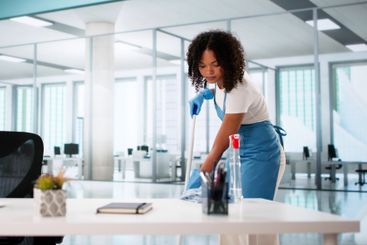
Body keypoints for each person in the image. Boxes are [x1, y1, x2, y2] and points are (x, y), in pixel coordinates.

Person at [187, 30, 284, 200]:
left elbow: (228, 131)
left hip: (261, 153)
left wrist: (207, 166)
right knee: (229, 209)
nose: (209, 71)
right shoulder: (219, 80)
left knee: (252, 212)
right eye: (202, 66)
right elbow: (221, 93)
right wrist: (205, 94)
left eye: (215, 64)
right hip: (237, 151)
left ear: (227, 60)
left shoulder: (240, 85)